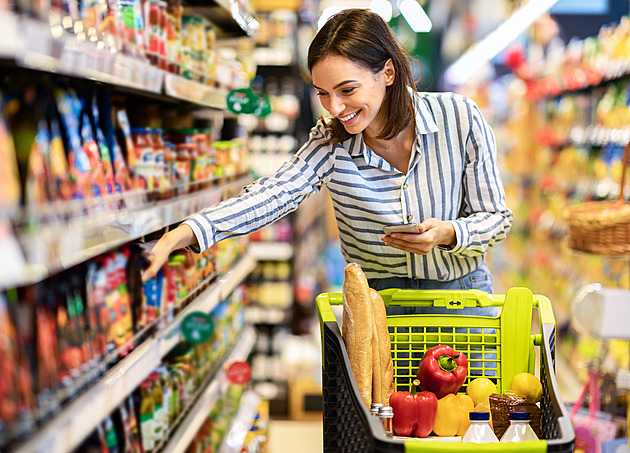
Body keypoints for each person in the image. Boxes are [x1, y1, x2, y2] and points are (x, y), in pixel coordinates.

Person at [142, 8, 512, 316]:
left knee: (466, 406)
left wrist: (449, 233)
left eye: (347, 90)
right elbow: (274, 194)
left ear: (387, 72)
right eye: (323, 94)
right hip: (376, 308)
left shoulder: (460, 117)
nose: (335, 108)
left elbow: (496, 218)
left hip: (461, 301)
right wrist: (187, 231)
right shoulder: (331, 140)